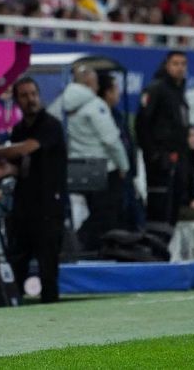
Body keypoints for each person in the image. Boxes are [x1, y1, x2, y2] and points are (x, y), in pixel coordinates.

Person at [0, 77, 67, 303]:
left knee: (47, 265)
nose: (30, 99)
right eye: (24, 96)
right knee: (17, 260)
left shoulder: (50, 124)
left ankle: (51, 307)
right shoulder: (19, 129)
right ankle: (15, 304)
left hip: (48, 205)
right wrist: (1, 172)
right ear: (16, 100)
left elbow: (26, 148)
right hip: (24, 205)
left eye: (33, 94)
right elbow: (19, 165)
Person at [61, 66, 129, 251]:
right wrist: (123, 165)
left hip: (76, 166)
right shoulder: (95, 105)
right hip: (101, 167)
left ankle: (82, 246)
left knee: (87, 212)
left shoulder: (63, 103)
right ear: (90, 82)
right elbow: (111, 140)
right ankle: (92, 248)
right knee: (106, 215)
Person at [135, 51, 190, 233]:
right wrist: (154, 154)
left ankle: (165, 242)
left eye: (183, 64)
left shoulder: (179, 92)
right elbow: (142, 123)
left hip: (178, 159)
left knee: (173, 207)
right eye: (175, 63)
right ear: (166, 65)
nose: (180, 68)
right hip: (161, 161)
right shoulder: (156, 89)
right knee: (159, 206)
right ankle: (154, 242)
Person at [98, 74, 144, 231]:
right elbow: (112, 143)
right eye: (116, 88)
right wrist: (123, 166)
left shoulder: (118, 115)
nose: (119, 92)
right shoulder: (101, 114)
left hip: (126, 173)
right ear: (107, 93)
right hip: (113, 173)